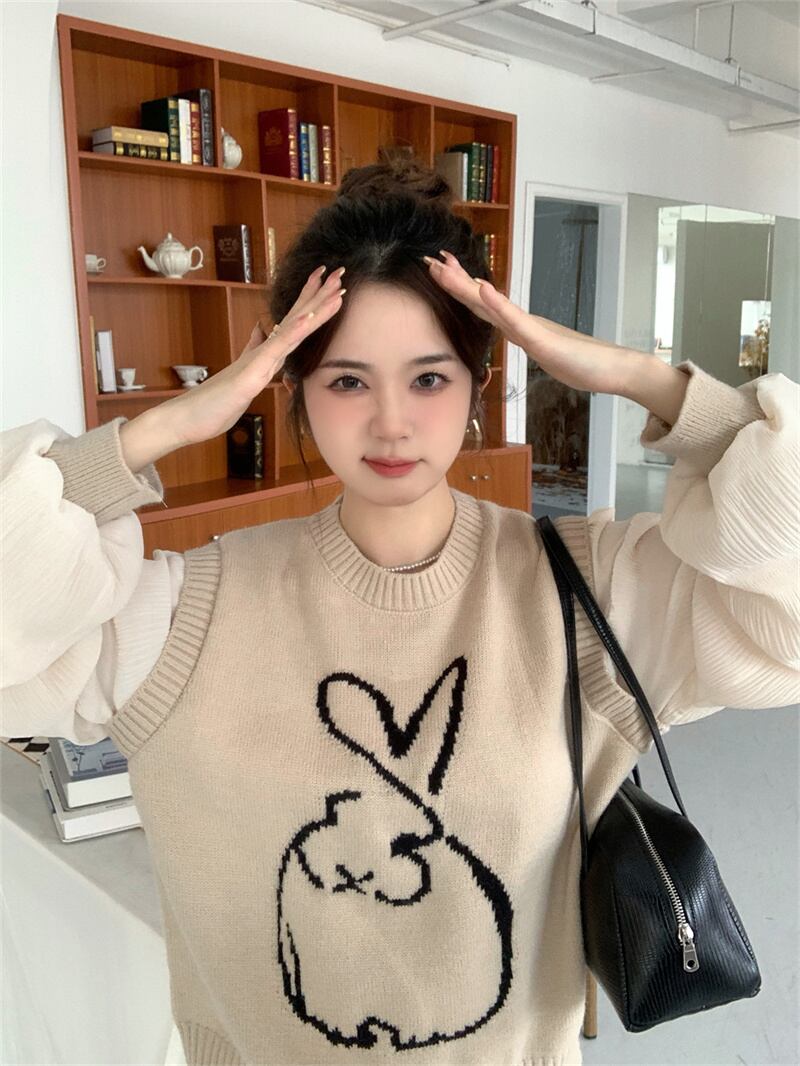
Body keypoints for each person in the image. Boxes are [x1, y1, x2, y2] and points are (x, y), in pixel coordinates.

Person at [2, 159, 798, 1066]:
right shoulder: (186, 612)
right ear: (291, 385)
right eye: (347, 381)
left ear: (477, 384)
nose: (391, 423)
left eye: (429, 378)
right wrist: (165, 429)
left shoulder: (588, 593)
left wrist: (642, 379)